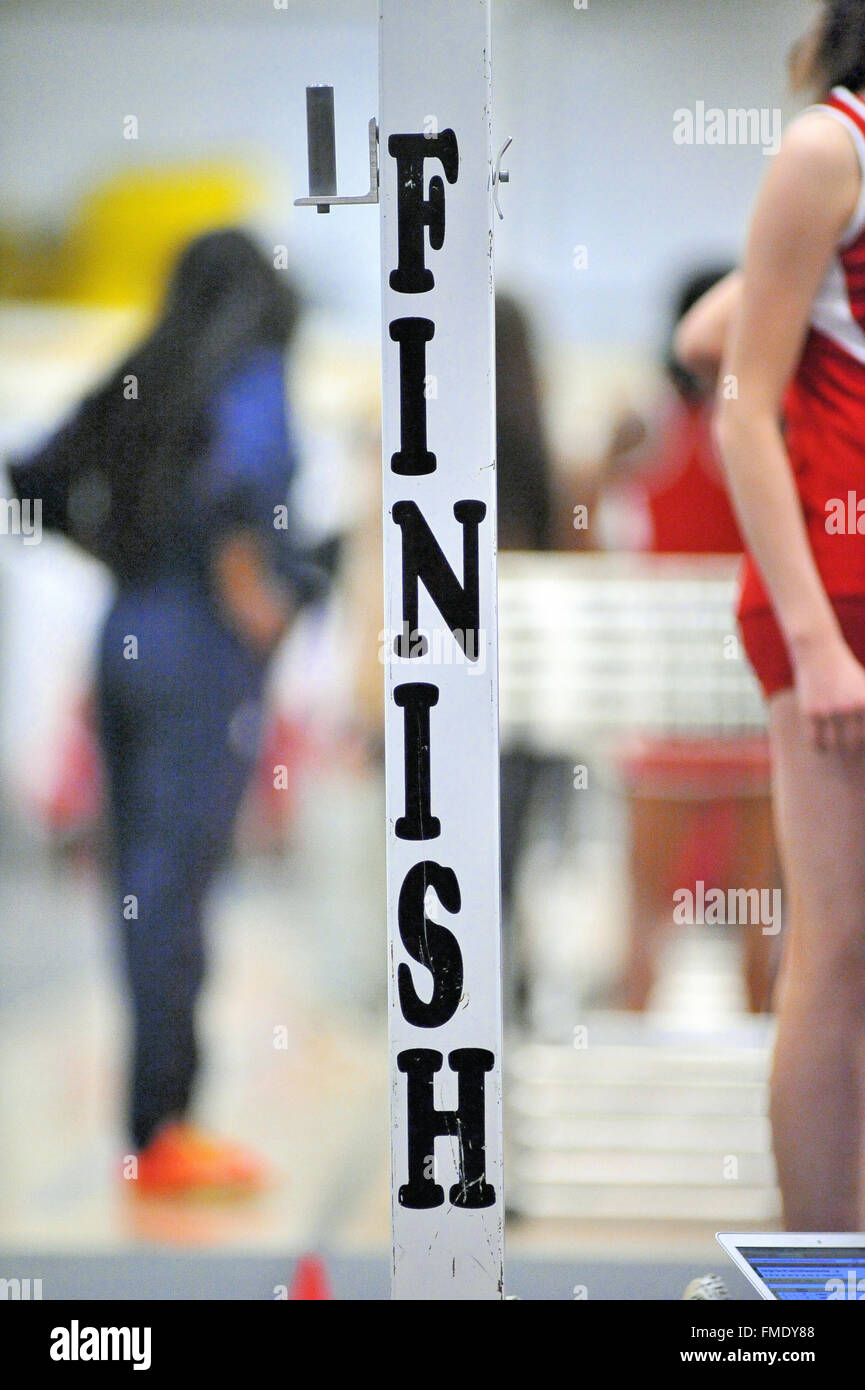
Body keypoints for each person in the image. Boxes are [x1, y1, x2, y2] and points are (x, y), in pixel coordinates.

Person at [11, 229, 322, 1196]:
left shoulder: (148, 370)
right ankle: (167, 1125)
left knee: (138, 883)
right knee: (175, 887)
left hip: (129, 636)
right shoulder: (252, 368)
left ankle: (155, 1122)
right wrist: (257, 605)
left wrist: (120, 553)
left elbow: (36, 477)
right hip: (199, 657)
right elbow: (240, 485)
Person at [677, 2, 865, 1230]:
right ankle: (818, 1277)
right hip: (838, 605)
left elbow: (709, 333)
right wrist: (814, 645)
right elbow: (733, 398)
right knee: (836, 948)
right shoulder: (828, 148)